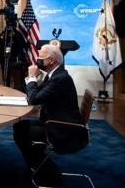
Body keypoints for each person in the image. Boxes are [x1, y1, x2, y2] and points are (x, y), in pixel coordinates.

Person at [12, 43, 82, 186]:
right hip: (52, 120)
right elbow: (37, 94)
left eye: (41, 58)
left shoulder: (59, 78)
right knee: (19, 126)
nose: (37, 61)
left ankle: (47, 171)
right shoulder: (55, 74)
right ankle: (38, 165)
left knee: (21, 131)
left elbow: (34, 99)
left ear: (52, 61)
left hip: (61, 127)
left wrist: (31, 78)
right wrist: (35, 80)